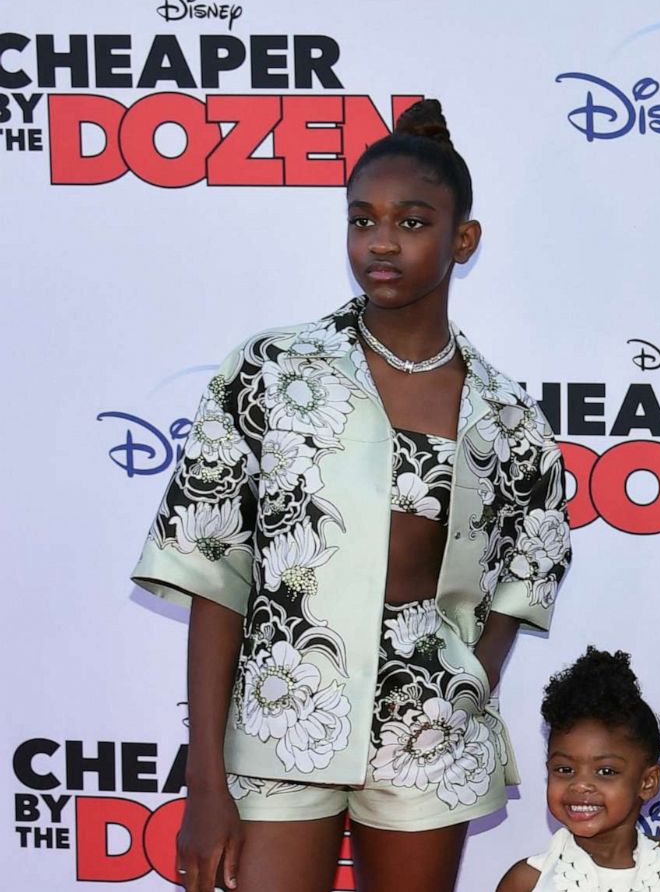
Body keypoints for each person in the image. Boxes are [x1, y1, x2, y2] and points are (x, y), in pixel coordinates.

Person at [131, 99, 573, 892]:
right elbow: (213, 574)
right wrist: (203, 782)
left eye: (411, 222)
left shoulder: (509, 417)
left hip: (430, 727)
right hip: (280, 710)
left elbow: (528, 572)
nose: (381, 241)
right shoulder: (271, 370)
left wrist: (468, 682)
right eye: (362, 220)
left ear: (462, 239)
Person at [495, 647, 660, 891]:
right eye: (565, 769)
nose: (580, 785)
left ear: (648, 782)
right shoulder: (526, 882)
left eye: (605, 772)